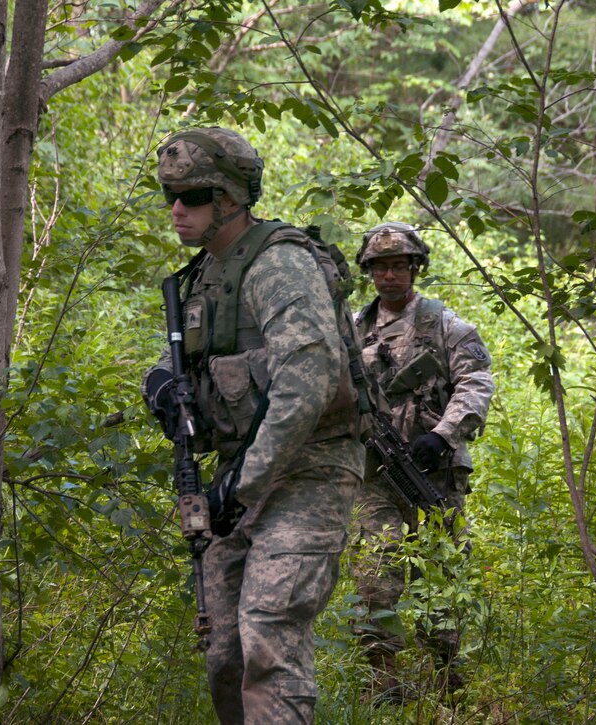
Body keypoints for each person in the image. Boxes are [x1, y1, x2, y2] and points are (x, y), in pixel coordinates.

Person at [141, 127, 364, 723]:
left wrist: (239, 485)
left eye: (191, 197)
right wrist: (160, 381)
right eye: (169, 197)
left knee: (268, 632)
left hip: (307, 470)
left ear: (231, 199)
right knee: (225, 653)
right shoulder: (209, 273)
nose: (176, 211)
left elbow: (307, 380)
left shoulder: (279, 265)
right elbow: (187, 349)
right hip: (237, 475)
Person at [349, 222, 494, 702]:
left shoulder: (447, 326)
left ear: (415, 268)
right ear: (369, 272)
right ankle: (384, 685)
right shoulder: (352, 331)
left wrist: (442, 435)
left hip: (435, 475)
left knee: (440, 578)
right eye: (380, 267)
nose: (389, 275)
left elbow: (476, 386)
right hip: (375, 477)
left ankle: (449, 686)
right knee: (374, 577)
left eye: (398, 265)